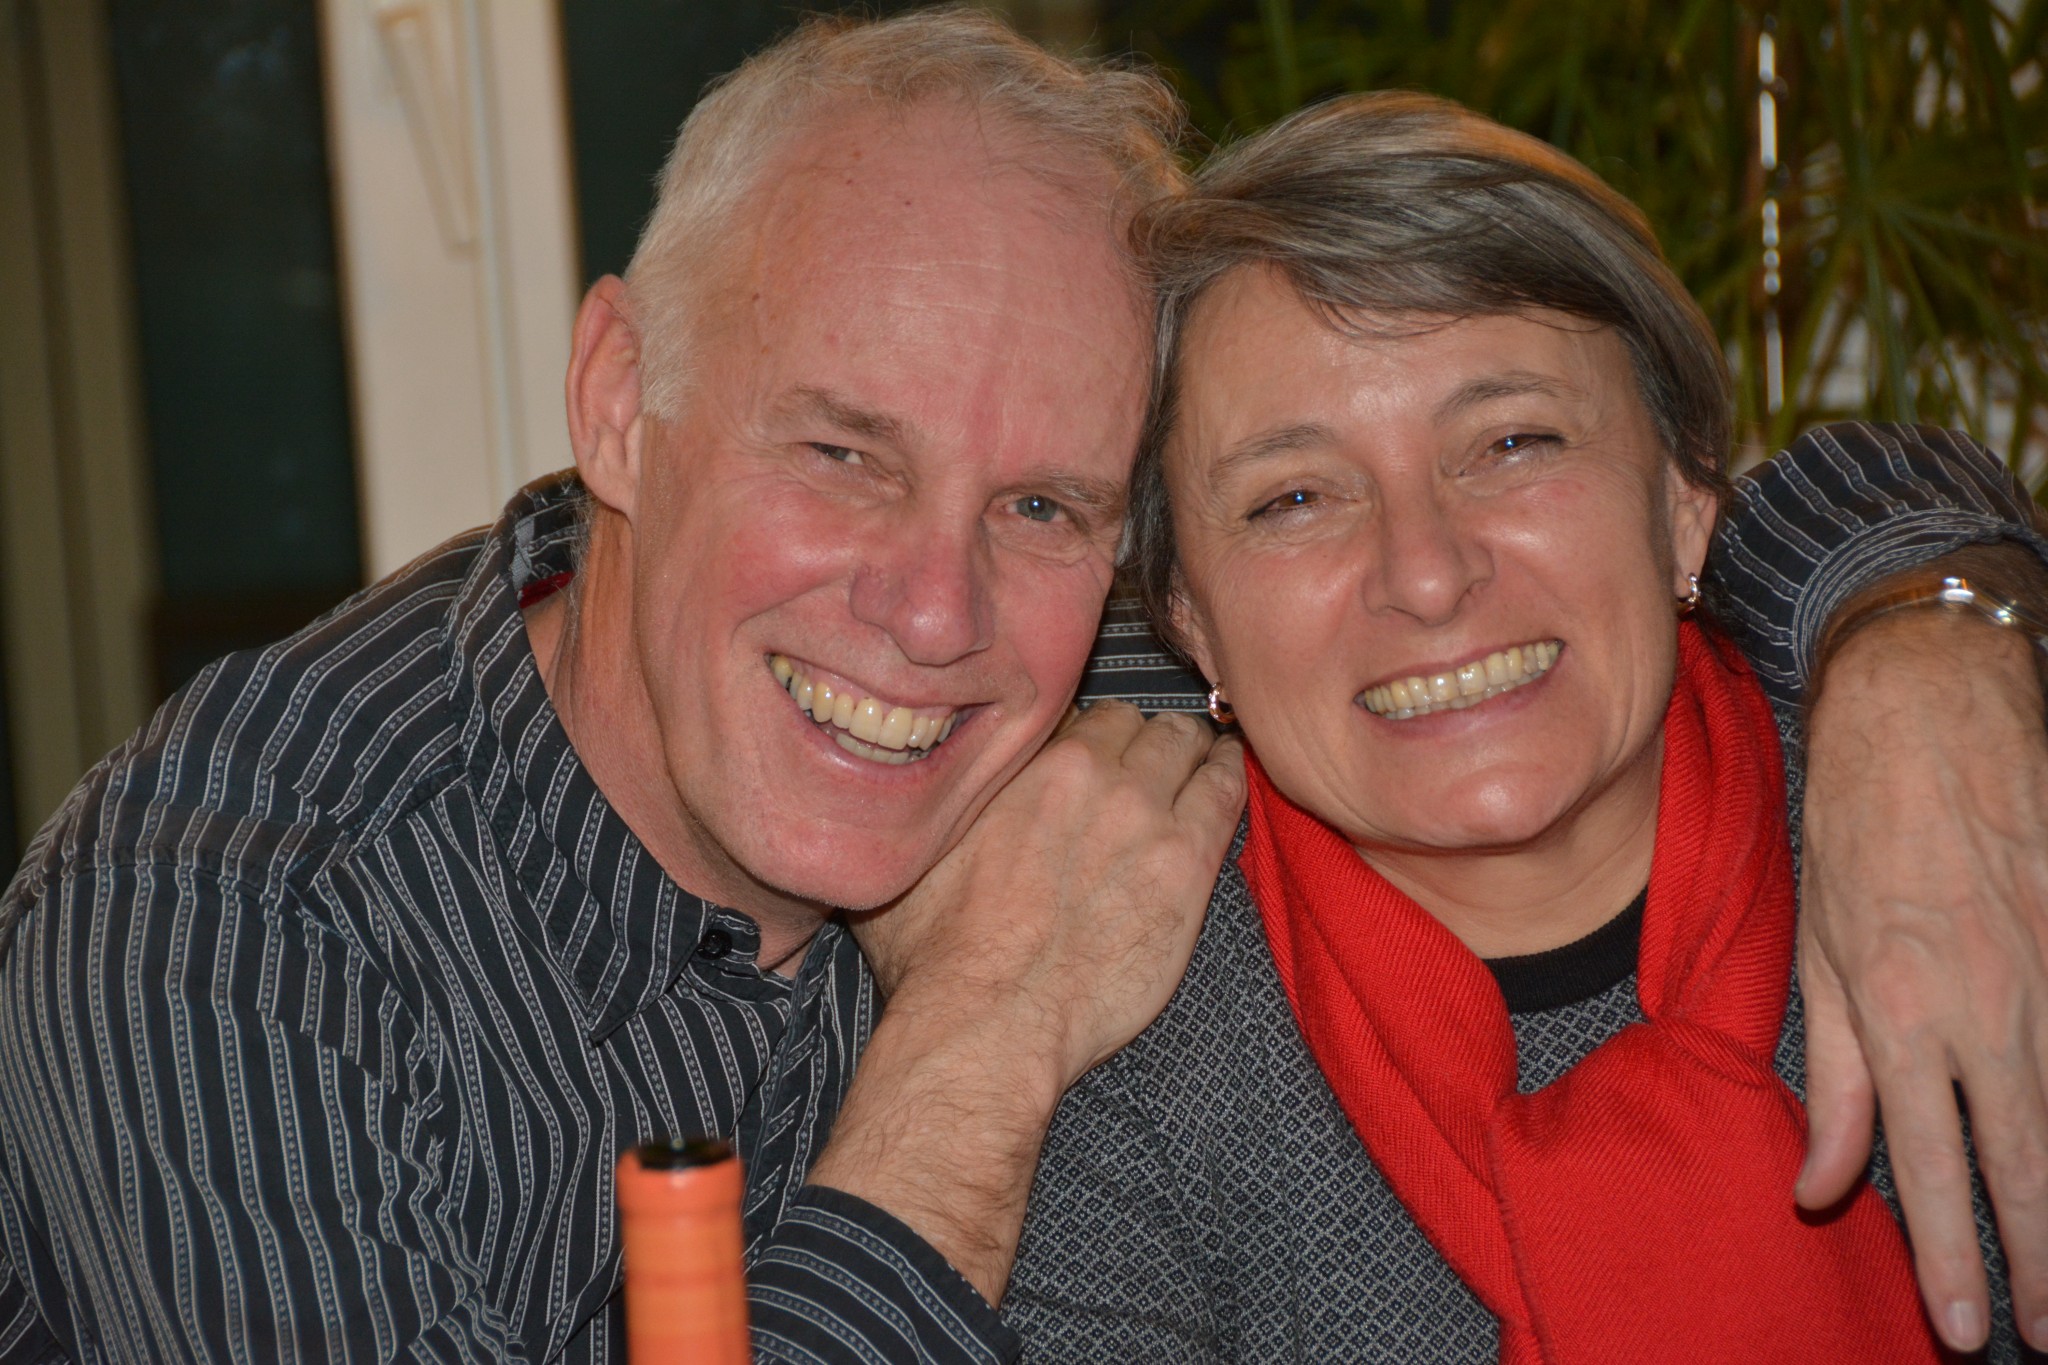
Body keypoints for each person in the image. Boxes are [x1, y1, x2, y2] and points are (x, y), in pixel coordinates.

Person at [0, 12, 2041, 1362]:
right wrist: (976, 1043)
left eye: (1044, 502)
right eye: (839, 452)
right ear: (619, 399)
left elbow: (1593, 544)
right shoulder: (226, 928)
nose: (930, 610)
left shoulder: (1159, 642)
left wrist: (1923, 640)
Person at [1004, 91, 2048, 1362]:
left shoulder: (1970, 829)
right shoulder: (1120, 1042)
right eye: (1292, 499)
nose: (1426, 573)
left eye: (1509, 441)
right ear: (1189, 623)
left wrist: (1936, 627)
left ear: (1684, 501)